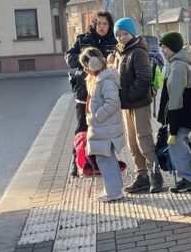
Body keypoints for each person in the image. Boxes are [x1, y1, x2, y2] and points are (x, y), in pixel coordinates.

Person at [113, 17, 164, 194]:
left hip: (139, 103)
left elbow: (144, 78)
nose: (122, 37)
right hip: (127, 105)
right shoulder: (121, 53)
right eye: (118, 35)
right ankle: (141, 176)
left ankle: (155, 175)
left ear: (132, 33)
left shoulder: (138, 52)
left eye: (125, 33)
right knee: (132, 143)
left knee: (144, 140)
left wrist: (128, 96)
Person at [79, 47, 126, 203]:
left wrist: (96, 117)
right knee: (107, 158)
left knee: (104, 159)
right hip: (104, 127)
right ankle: (114, 189)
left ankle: (114, 192)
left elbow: (113, 102)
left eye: (86, 65)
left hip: (105, 127)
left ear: (94, 63)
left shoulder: (104, 80)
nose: (85, 69)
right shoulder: (99, 79)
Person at [65, 11, 118, 140]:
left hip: (105, 94)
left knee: (103, 129)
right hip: (84, 91)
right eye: (99, 23)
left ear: (109, 26)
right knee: (82, 128)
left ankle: (101, 158)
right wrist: (87, 60)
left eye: (105, 23)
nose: (102, 26)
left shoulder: (115, 42)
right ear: (94, 24)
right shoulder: (83, 39)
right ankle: (79, 158)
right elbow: (69, 57)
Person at [158, 32, 191, 192]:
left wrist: (172, 123)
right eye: (161, 47)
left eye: (165, 48)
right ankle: (188, 177)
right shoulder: (175, 64)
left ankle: (188, 179)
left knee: (177, 147)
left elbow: (175, 97)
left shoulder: (178, 66)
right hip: (180, 116)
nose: (163, 51)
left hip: (179, 117)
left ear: (174, 48)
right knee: (181, 145)